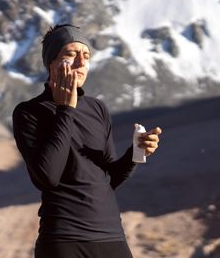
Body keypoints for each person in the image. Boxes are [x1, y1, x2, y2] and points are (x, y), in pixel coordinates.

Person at [12, 24, 163, 258]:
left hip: (111, 237)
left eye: (86, 56)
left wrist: (136, 152)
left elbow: (108, 179)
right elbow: (47, 177)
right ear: (51, 62)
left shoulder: (97, 109)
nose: (81, 64)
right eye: (71, 55)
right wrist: (65, 110)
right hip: (63, 240)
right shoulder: (29, 112)